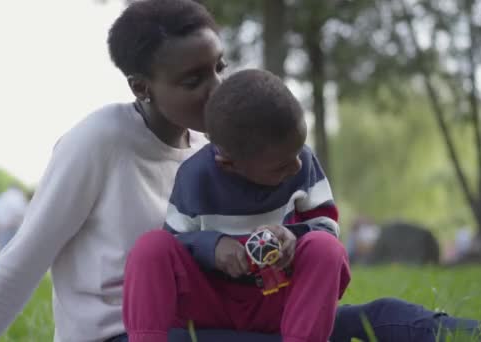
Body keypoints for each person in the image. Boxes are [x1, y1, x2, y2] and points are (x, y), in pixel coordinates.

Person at [0, 1, 481, 342]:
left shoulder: (221, 147)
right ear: (142, 88)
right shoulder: (99, 142)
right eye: (192, 81)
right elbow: (18, 265)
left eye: (219, 67)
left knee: (374, 318)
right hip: (129, 331)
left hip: (220, 317)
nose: (216, 89)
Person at [123, 69, 350, 342]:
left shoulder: (301, 163)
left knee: (326, 248)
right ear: (229, 163)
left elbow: (325, 226)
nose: (297, 166)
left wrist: (295, 237)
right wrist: (212, 246)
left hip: (281, 298)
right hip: (212, 305)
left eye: (298, 151)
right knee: (151, 247)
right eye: (281, 165)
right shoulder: (195, 177)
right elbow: (176, 242)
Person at [0, 184, 28, 253]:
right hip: (12, 228)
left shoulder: (0, 198)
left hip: (0, 229)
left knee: (2, 252)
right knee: (13, 252)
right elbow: (21, 211)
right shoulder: (16, 196)